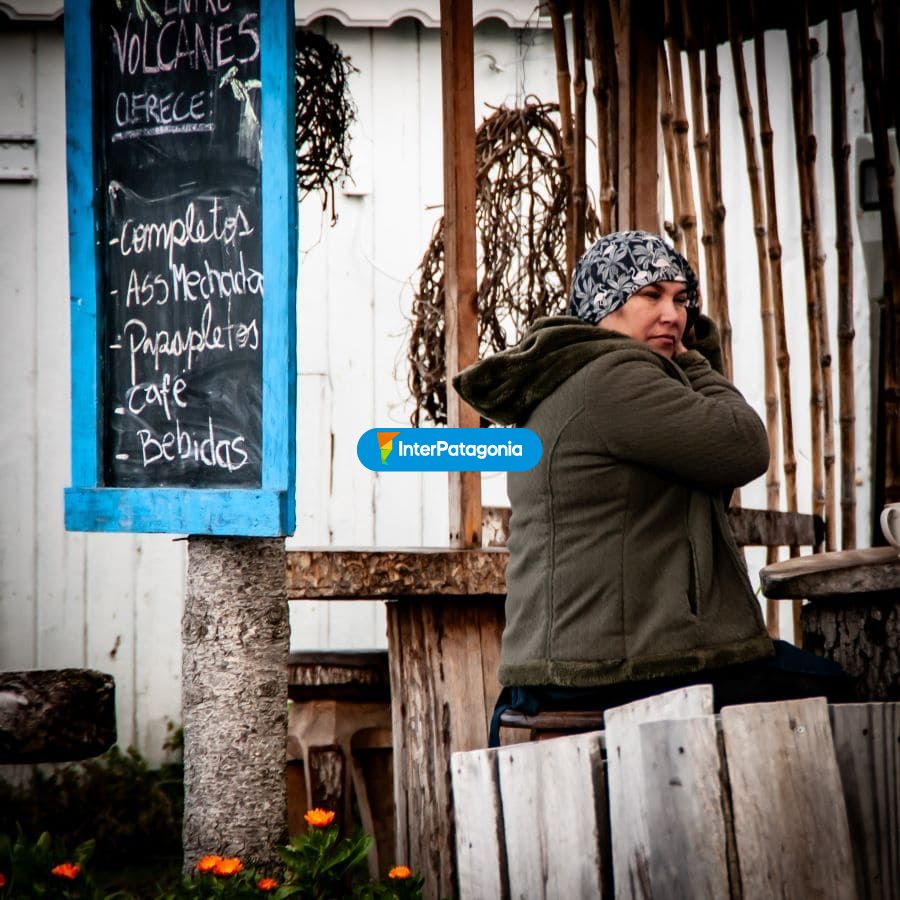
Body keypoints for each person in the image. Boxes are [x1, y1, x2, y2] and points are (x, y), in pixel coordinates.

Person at [452, 230, 849, 746]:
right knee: (837, 692)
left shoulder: (572, 375)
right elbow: (742, 446)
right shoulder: (614, 377)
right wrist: (692, 361)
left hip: (574, 661)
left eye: (681, 300)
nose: (673, 315)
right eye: (651, 296)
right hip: (619, 666)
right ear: (604, 306)